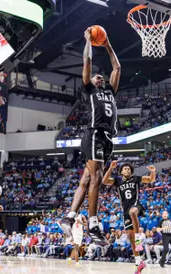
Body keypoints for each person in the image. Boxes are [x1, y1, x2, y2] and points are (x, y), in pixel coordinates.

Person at [61, 27, 121, 246]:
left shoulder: (110, 92)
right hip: (93, 133)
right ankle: (93, 225)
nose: (100, 78)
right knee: (96, 179)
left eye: (101, 77)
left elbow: (117, 67)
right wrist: (88, 40)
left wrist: (107, 45)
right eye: (97, 77)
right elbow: (87, 63)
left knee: (86, 179)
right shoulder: (89, 90)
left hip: (107, 139)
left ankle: (68, 217)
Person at [102, 161, 156, 274]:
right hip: (125, 211)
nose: (127, 170)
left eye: (128, 169)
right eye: (124, 169)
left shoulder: (136, 179)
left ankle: (138, 240)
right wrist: (111, 168)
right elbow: (105, 181)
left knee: (133, 212)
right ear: (121, 171)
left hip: (136, 206)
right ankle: (138, 261)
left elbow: (150, 179)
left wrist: (153, 171)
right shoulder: (117, 181)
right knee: (129, 236)